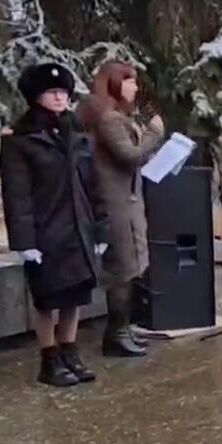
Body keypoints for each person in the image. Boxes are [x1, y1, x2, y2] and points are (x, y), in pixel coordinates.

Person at [0, 64, 105, 387]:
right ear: (36, 96)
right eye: (52, 92)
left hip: (79, 228)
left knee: (74, 296)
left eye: (64, 92)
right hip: (46, 232)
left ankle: (70, 352)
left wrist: (100, 229)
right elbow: (17, 195)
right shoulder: (21, 140)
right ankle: (49, 359)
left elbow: (94, 186)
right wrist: (24, 241)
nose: (60, 97)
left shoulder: (78, 133)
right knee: (47, 299)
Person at [77, 61, 166, 359]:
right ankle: (115, 334)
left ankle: (123, 329)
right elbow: (129, 156)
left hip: (127, 200)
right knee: (122, 269)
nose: (135, 88)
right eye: (130, 81)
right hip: (116, 204)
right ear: (115, 83)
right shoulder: (108, 119)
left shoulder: (115, 116)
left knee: (131, 265)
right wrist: (153, 134)